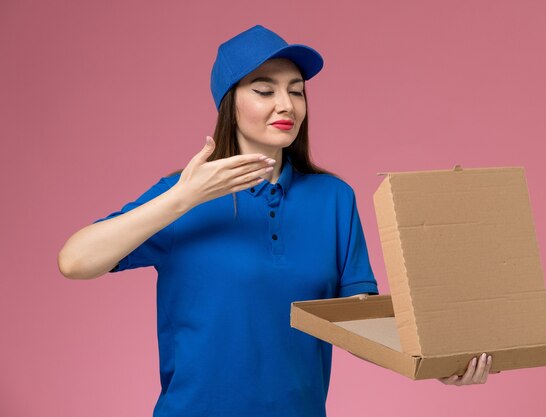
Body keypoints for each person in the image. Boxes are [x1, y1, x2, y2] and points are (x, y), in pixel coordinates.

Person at [57, 24, 493, 417]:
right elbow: (75, 261)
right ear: (231, 103)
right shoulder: (182, 195)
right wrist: (182, 198)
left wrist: (435, 360)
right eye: (264, 90)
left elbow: (360, 322)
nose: (286, 104)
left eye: (297, 90)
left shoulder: (333, 199)